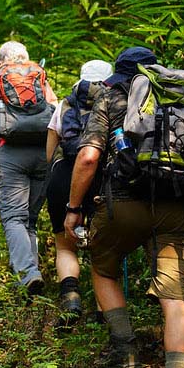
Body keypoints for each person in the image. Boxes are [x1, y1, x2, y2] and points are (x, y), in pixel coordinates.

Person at [63, 46, 184, 368]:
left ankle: (126, 354)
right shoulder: (177, 94)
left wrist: (74, 209)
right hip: (175, 205)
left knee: (103, 267)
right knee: (176, 295)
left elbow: (89, 156)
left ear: (117, 73)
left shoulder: (111, 95)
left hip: (122, 202)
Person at [0, 41, 59, 296]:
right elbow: (55, 108)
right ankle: (30, 276)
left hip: (12, 152)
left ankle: (28, 273)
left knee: (13, 217)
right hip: (42, 151)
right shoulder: (39, 76)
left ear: (0, 60)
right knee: (30, 219)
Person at [45, 59, 112, 325]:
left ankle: (71, 296)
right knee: (103, 245)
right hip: (100, 177)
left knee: (65, 244)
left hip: (64, 175)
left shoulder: (65, 104)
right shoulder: (115, 102)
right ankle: (103, 309)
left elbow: (49, 153)